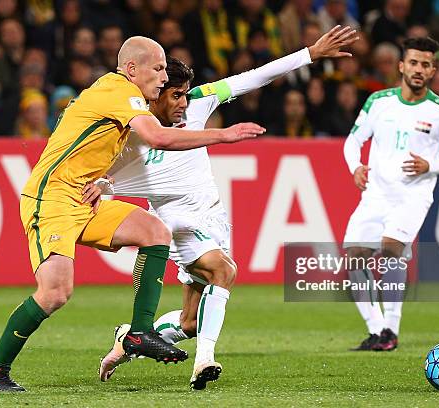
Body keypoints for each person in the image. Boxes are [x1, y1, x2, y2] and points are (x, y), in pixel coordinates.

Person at [0, 36, 265, 392]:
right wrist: (222, 135)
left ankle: (140, 332)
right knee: (55, 293)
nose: (164, 76)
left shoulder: (127, 100)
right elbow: (157, 139)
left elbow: (114, 151)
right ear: (132, 69)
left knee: (155, 232)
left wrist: (103, 183)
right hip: (51, 199)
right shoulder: (118, 91)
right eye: (158, 68)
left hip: (83, 198)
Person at [97, 25, 358, 389]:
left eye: (185, 95)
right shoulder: (132, 128)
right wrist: (100, 185)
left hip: (212, 216)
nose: (184, 104)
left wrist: (309, 54)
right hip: (174, 221)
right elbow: (103, 171)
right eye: (174, 96)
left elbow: (253, 77)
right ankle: (205, 359)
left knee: (190, 321)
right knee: (224, 271)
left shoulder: (198, 101)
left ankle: (128, 341)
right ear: (154, 95)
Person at [343, 37, 439, 351]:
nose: (419, 69)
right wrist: (356, 167)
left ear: (433, 70)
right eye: (414, 63)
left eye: (425, 64)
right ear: (401, 66)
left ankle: (391, 329)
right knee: (354, 255)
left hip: (413, 196)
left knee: (392, 247)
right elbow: (353, 142)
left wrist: (428, 164)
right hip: (376, 194)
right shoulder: (379, 102)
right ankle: (376, 329)